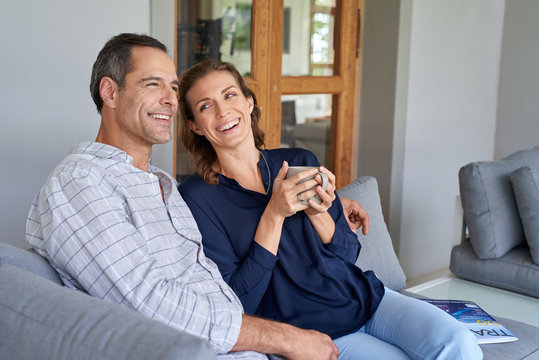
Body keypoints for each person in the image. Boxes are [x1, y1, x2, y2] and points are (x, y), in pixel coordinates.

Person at [25, 33, 344, 360]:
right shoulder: (80, 181)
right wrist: (285, 339)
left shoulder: (161, 183)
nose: (170, 100)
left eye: (174, 88)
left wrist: (335, 204)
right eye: (152, 84)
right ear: (110, 92)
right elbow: (146, 301)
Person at [177, 59, 483, 360]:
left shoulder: (300, 159)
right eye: (205, 106)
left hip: (363, 297)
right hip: (311, 330)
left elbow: (348, 253)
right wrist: (275, 213)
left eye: (230, 95)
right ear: (195, 125)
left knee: (460, 343)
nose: (222, 111)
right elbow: (239, 300)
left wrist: (318, 212)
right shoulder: (198, 196)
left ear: (249, 102)